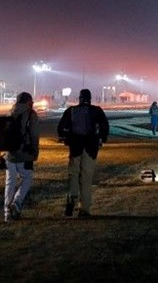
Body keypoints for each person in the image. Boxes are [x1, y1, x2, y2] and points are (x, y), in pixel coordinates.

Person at [57, 88, 110, 218]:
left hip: (75, 148)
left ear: (79, 98)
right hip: (91, 149)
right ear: (90, 99)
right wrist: (102, 138)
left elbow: (60, 129)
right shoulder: (97, 111)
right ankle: (84, 209)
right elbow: (105, 127)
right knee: (86, 178)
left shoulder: (71, 111)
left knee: (73, 174)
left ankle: (72, 197)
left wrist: (68, 136)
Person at [3, 92, 41, 222]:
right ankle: (17, 204)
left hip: (9, 154)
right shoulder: (31, 114)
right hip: (24, 153)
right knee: (27, 178)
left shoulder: (10, 112)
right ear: (28, 102)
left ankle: (7, 213)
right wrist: (35, 152)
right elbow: (34, 135)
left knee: (10, 182)